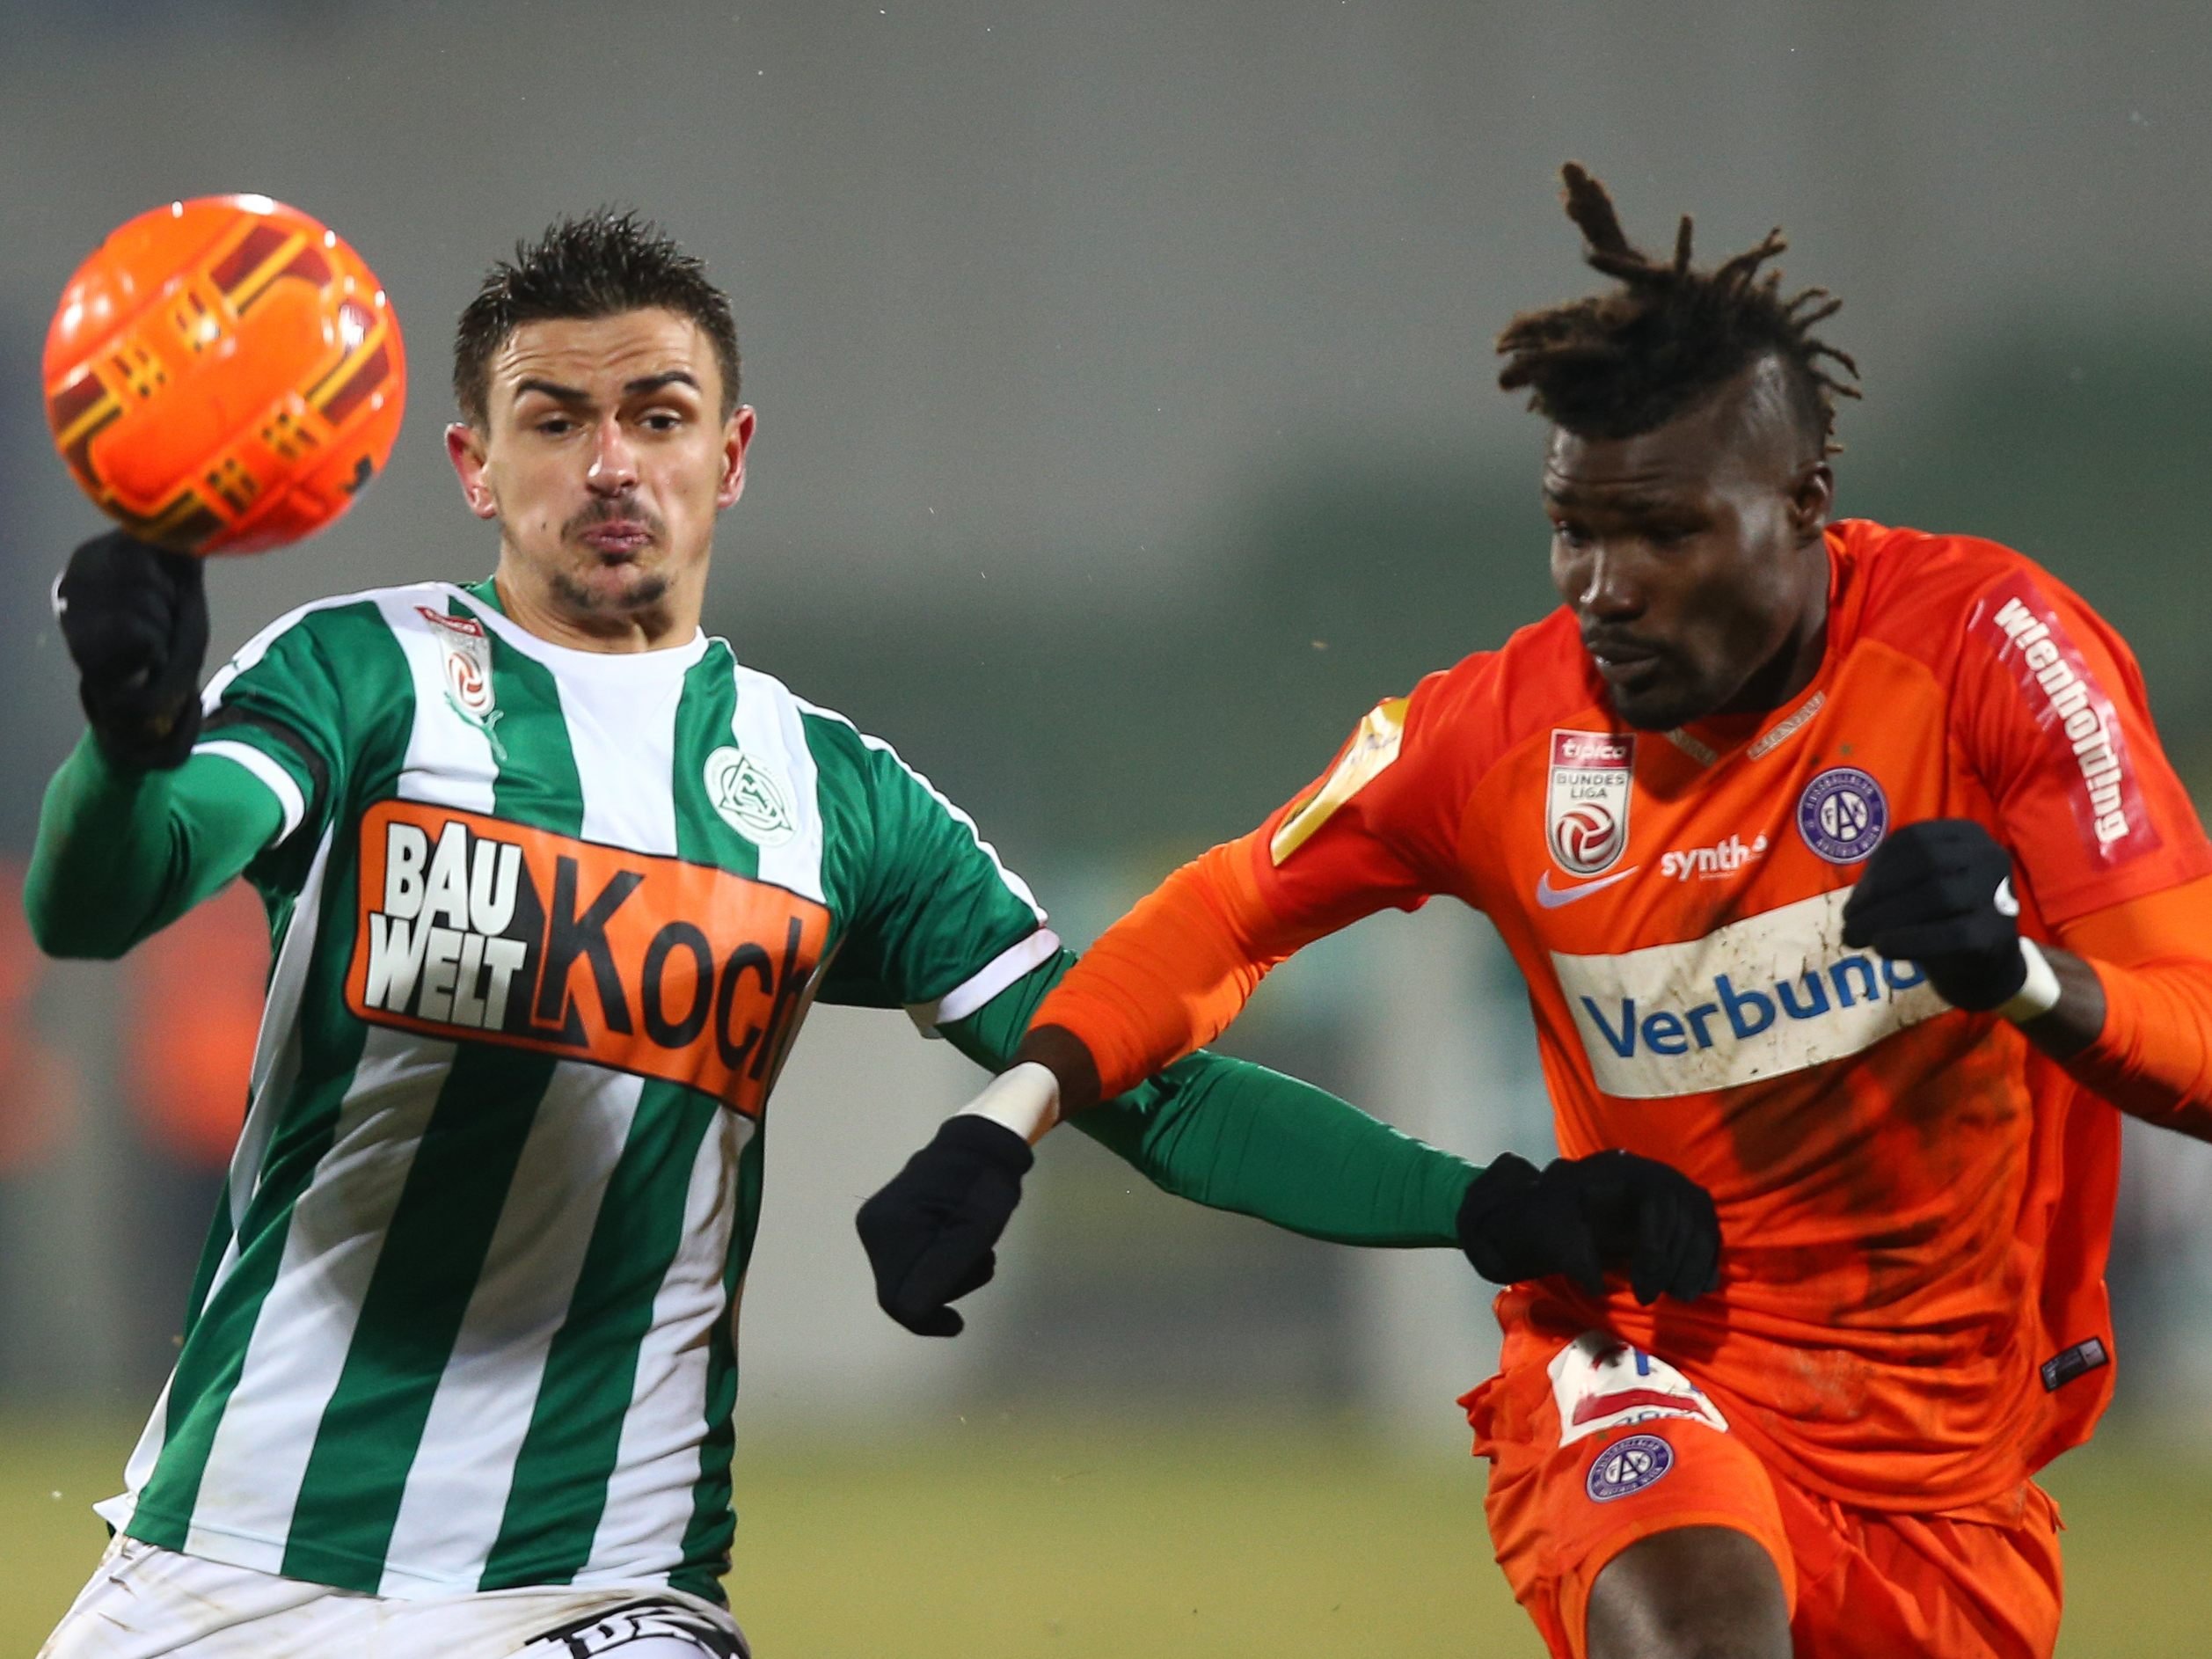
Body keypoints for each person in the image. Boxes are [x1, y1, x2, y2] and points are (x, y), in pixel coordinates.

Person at [26, 209, 1673, 1658]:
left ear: (729, 453)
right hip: (230, 1552)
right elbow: (104, 896)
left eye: (657, 415)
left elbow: (1135, 1073)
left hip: (591, 1582)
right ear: (473, 463)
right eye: (556, 419)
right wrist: (130, 733)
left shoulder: (832, 798)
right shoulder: (361, 676)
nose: (613, 463)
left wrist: (1490, 1205)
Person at [856, 165, 2212, 1659]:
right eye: (1575, 530)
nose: (1605, 589)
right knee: (1703, 1633)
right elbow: (1227, 911)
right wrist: (1014, 1114)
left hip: (1948, 1463)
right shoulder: (1494, 734)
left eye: (1666, 535)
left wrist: (2023, 977)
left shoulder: (1994, 655)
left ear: (1808, 505)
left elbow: (2199, 1038)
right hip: (1646, 1354)